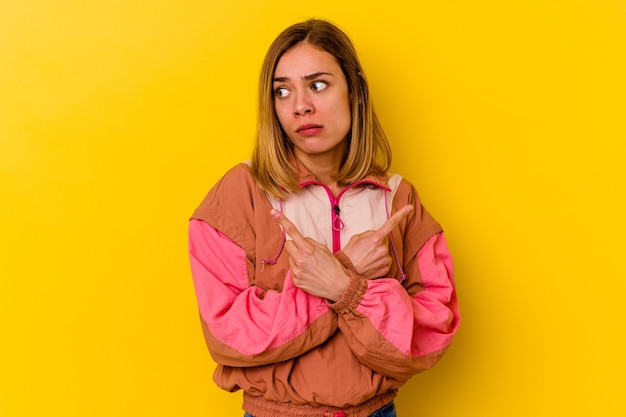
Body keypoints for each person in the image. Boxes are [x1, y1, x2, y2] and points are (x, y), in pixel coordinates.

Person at [188, 19, 460, 417]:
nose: (300, 106)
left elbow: (431, 331)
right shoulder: (240, 192)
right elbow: (230, 333)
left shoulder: (398, 198)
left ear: (355, 92)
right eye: (283, 91)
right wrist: (345, 275)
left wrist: (345, 288)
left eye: (318, 85)